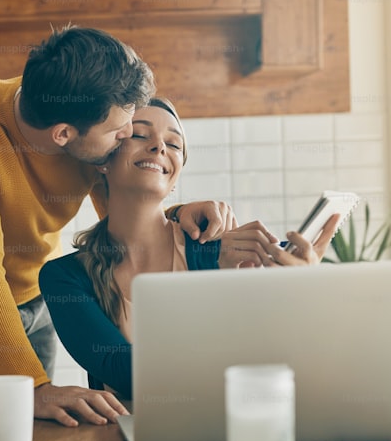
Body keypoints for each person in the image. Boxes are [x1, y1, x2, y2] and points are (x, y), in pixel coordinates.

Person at [0, 25, 235, 432]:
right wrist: (36, 387)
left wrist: (179, 212)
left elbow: (120, 205)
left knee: (43, 432)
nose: (126, 138)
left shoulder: (88, 112)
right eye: (122, 133)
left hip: (34, 293)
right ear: (63, 136)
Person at [39, 98, 339, 399]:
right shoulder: (65, 277)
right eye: (140, 135)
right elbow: (126, 374)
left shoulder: (221, 251)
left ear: (175, 176)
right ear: (103, 157)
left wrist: (302, 292)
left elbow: (273, 362)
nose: (160, 147)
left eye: (174, 144)